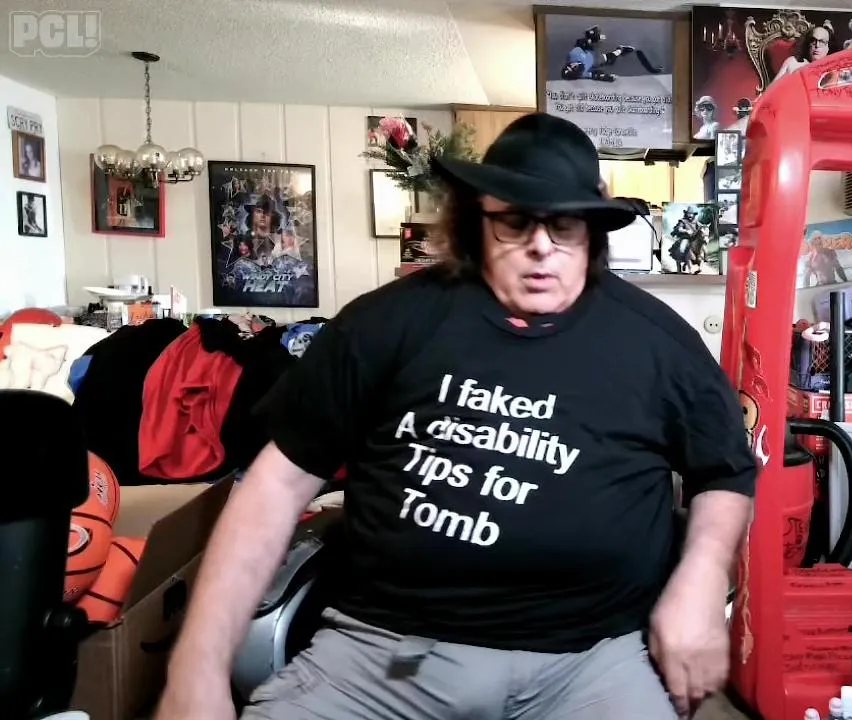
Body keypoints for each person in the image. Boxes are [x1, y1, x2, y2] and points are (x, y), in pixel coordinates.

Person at [155, 112, 757, 720]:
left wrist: (703, 578)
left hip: (591, 659)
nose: (541, 245)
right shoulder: (385, 324)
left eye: (564, 225)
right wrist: (195, 668)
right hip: (386, 654)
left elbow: (725, 472)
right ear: (477, 220)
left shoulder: (656, 343)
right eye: (515, 222)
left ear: (593, 231)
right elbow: (275, 486)